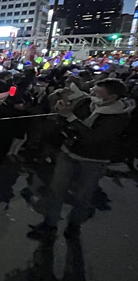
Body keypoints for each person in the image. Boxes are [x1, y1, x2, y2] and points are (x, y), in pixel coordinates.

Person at [28, 79, 135, 239]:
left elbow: (92, 137)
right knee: (56, 191)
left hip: (93, 160)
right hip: (69, 153)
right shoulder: (87, 104)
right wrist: (63, 112)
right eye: (92, 91)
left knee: (83, 196)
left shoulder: (118, 117)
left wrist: (70, 117)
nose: (92, 95)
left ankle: (74, 225)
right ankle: (50, 224)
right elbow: (67, 122)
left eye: (97, 94)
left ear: (112, 97)